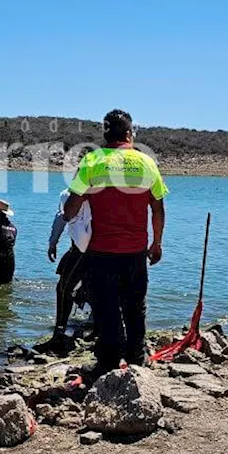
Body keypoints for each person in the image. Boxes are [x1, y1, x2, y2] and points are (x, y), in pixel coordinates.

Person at [64, 109, 168, 377]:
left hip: (102, 251)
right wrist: (157, 243)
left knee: (106, 307)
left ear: (106, 133)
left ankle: (108, 363)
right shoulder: (147, 163)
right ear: (129, 133)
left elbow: (70, 210)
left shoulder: (92, 161)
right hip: (136, 250)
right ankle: (136, 359)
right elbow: (157, 209)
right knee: (135, 306)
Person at [36, 190, 91, 355]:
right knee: (81, 286)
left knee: (63, 289)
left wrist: (53, 243)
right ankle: (96, 327)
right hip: (92, 249)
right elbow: (62, 217)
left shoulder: (73, 197)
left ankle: (59, 333)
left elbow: (62, 218)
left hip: (84, 250)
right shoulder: (100, 194)